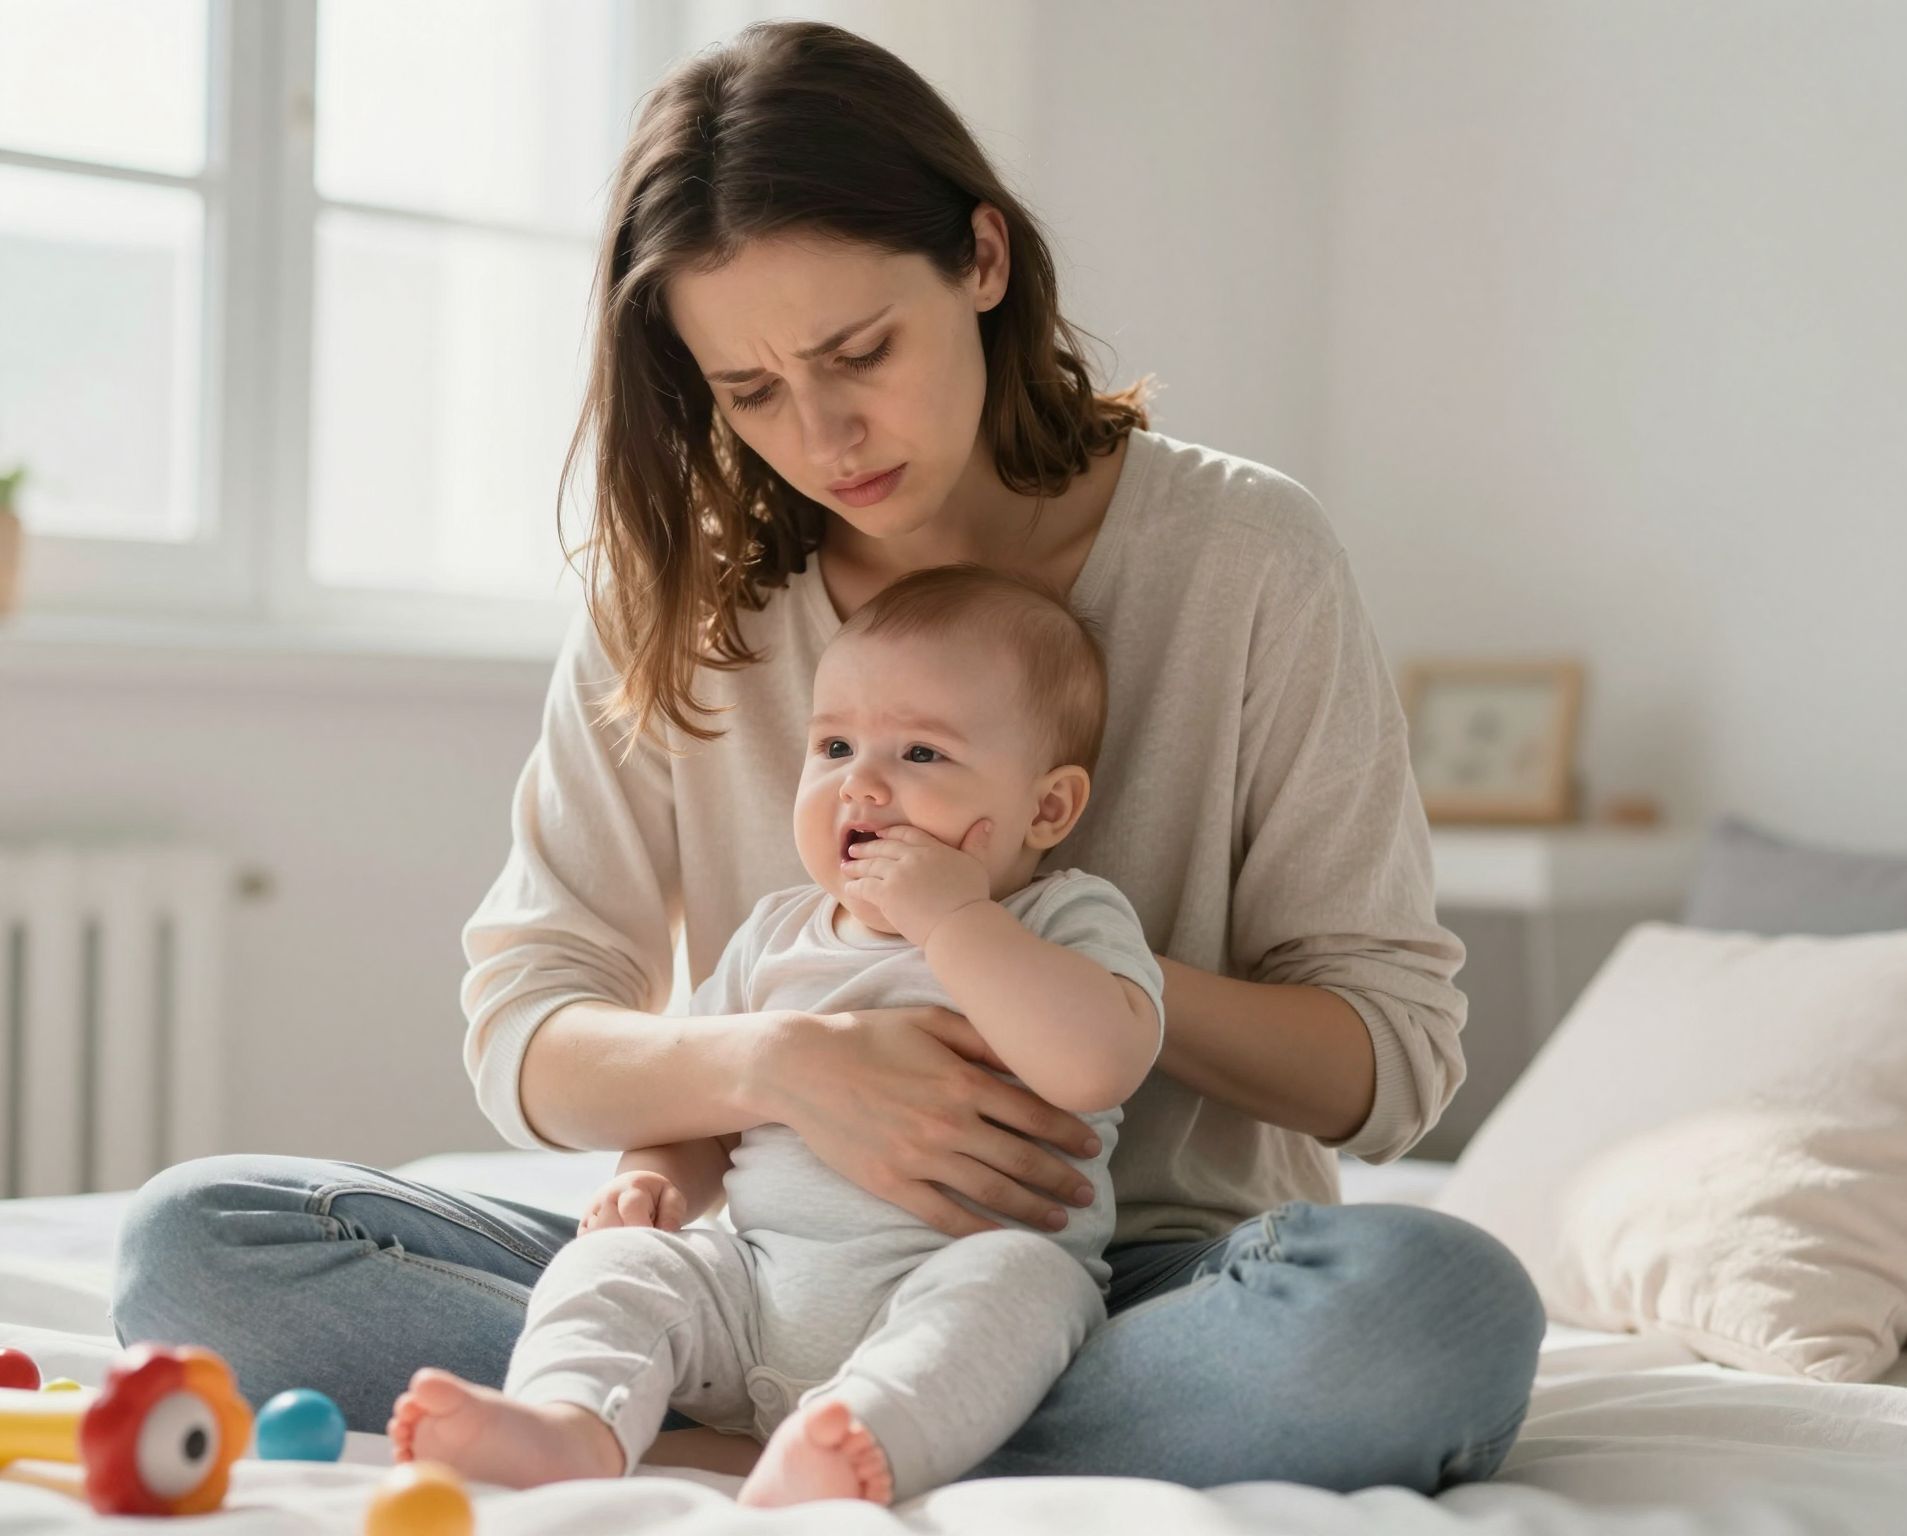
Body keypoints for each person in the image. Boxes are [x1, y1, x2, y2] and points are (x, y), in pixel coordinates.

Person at [113, 18, 1546, 1494]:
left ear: (982, 261)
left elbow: (1391, 1065)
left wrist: (1018, 977)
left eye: (861, 351)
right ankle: (790, 1428)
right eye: (747, 391)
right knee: (199, 1245)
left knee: (1429, 1312)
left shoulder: (1246, 558)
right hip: (759, 1261)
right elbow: (526, 1031)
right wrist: (793, 1064)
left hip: (1115, 1278)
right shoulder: (672, 597)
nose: (824, 432)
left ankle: (766, 1432)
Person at [389, 564, 1165, 1507]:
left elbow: (1098, 1062)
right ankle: (570, 1425)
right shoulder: (775, 934)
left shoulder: (1063, 919)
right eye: (834, 745)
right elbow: (704, 1110)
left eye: (921, 755)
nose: (863, 784)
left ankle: (857, 1445)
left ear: (1048, 808)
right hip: (756, 1292)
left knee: (1026, 1283)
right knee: (621, 1267)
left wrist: (954, 920)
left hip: (951, 1290)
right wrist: (655, 1184)